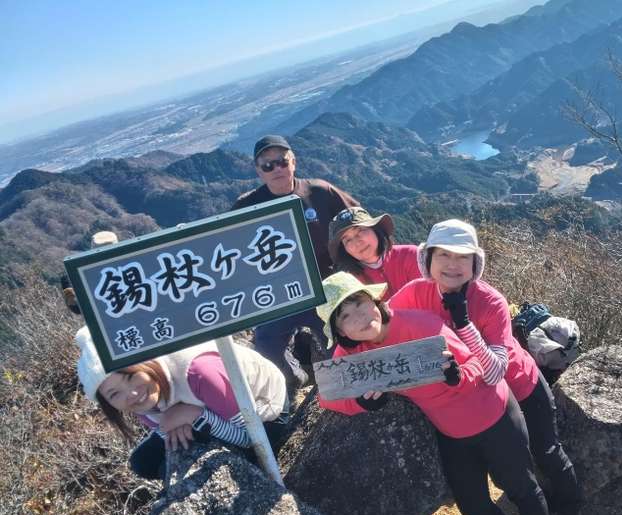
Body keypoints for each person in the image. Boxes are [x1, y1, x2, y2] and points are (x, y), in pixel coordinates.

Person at [316, 272, 550, 515]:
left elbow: (478, 364)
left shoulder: (420, 324)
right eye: (345, 316)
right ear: (341, 332)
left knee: (522, 490)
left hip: (495, 415)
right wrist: (361, 403)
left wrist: (458, 376)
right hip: (451, 432)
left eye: (359, 303)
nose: (359, 317)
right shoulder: (356, 354)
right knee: (472, 506)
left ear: (374, 301)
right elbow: (326, 395)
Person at [390, 219, 583, 515]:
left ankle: (569, 512)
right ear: (428, 260)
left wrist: (464, 323)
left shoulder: (490, 301)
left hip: (520, 388)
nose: (452, 264)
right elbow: (377, 324)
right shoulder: (415, 293)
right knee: (498, 489)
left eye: (462, 256)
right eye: (443, 255)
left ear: (475, 263)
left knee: (547, 453)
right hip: (470, 403)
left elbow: (495, 372)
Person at [75, 327, 288, 480]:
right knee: (144, 462)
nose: (131, 393)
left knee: (246, 459)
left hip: (263, 410)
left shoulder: (200, 371)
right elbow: (167, 425)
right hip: (205, 408)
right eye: (114, 394)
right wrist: (182, 420)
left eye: (131, 376)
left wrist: (194, 416)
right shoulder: (140, 398)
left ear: (146, 362)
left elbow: (251, 439)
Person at [231, 135, 359, 386]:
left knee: (339, 344)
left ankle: (348, 390)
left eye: (282, 162)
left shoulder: (319, 192)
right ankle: (296, 379)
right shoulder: (246, 207)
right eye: (268, 165)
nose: (277, 169)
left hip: (325, 287)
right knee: (266, 349)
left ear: (294, 162)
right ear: (258, 171)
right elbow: (232, 251)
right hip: (279, 296)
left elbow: (357, 220)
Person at [327, 207, 421, 298]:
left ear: (375, 229)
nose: (357, 242)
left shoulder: (410, 256)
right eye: (348, 240)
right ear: (344, 250)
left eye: (360, 231)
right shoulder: (350, 283)